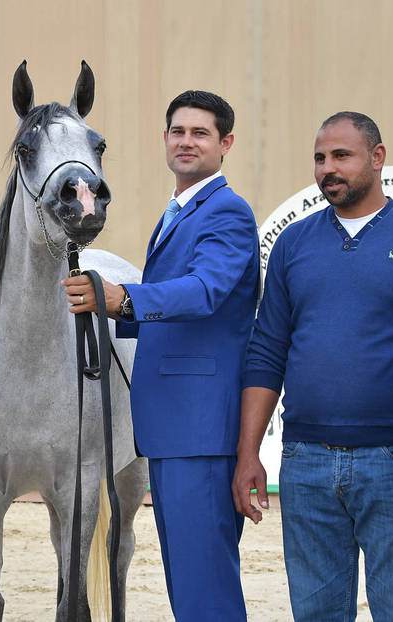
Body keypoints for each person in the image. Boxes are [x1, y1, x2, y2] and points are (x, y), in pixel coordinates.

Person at [233, 112, 393, 621]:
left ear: (377, 158)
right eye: (319, 158)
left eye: (341, 156)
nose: (327, 169)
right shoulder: (293, 243)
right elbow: (267, 352)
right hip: (305, 461)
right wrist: (249, 453)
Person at [63, 91, 259, 621]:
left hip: (200, 428)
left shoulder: (226, 211)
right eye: (178, 131)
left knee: (204, 593)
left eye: (200, 133)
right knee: (190, 587)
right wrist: (108, 309)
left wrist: (123, 299)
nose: (186, 142)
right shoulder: (181, 210)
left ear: (226, 143)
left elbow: (205, 291)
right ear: (165, 139)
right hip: (175, 429)